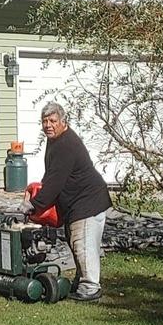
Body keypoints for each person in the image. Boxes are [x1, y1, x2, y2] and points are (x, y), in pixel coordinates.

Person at [20, 102, 112, 302]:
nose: (48, 125)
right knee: (75, 241)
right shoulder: (55, 141)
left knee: (83, 245)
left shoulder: (66, 144)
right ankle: (81, 281)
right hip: (77, 204)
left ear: (63, 122)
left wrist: (33, 204)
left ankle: (90, 287)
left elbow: (55, 182)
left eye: (52, 121)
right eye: (45, 121)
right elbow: (51, 176)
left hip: (88, 202)